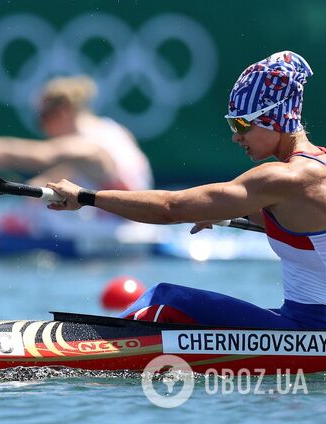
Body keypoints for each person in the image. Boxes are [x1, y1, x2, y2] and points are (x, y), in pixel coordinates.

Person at [47, 51, 326, 330]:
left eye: (241, 123)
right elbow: (305, 232)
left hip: (308, 327)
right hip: (308, 326)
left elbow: (172, 208)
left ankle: (80, 346)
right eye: (232, 122)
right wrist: (224, 213)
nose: (235, 135)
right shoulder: (314, 172)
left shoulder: (282, 178)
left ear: (272, 119)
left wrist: (85, 197)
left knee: (164, 299)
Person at [0, 75, 153, 191]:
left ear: (64, 111)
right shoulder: (112, 129)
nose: (40, 125)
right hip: (137, 218)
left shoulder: (84, 145)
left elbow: (13, 153)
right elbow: (80, 170)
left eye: (43, 116)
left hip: (121, 225)